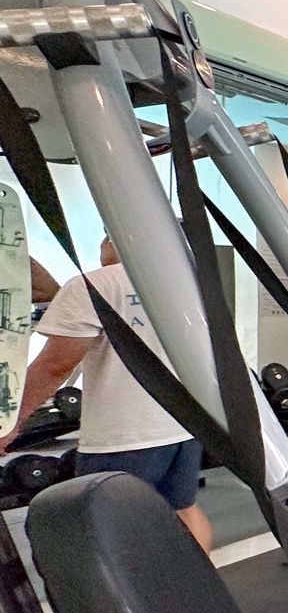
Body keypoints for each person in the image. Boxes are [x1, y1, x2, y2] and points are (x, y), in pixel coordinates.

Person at [0, 236, 212, 552]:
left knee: (111, 532)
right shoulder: (186, 285)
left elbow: (55, 366)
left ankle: (136, 586)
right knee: (183, 510)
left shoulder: (93, 285)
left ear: (110, 239)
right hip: (183, 428)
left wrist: (11, 421)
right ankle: (198, 581)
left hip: (124, 438)